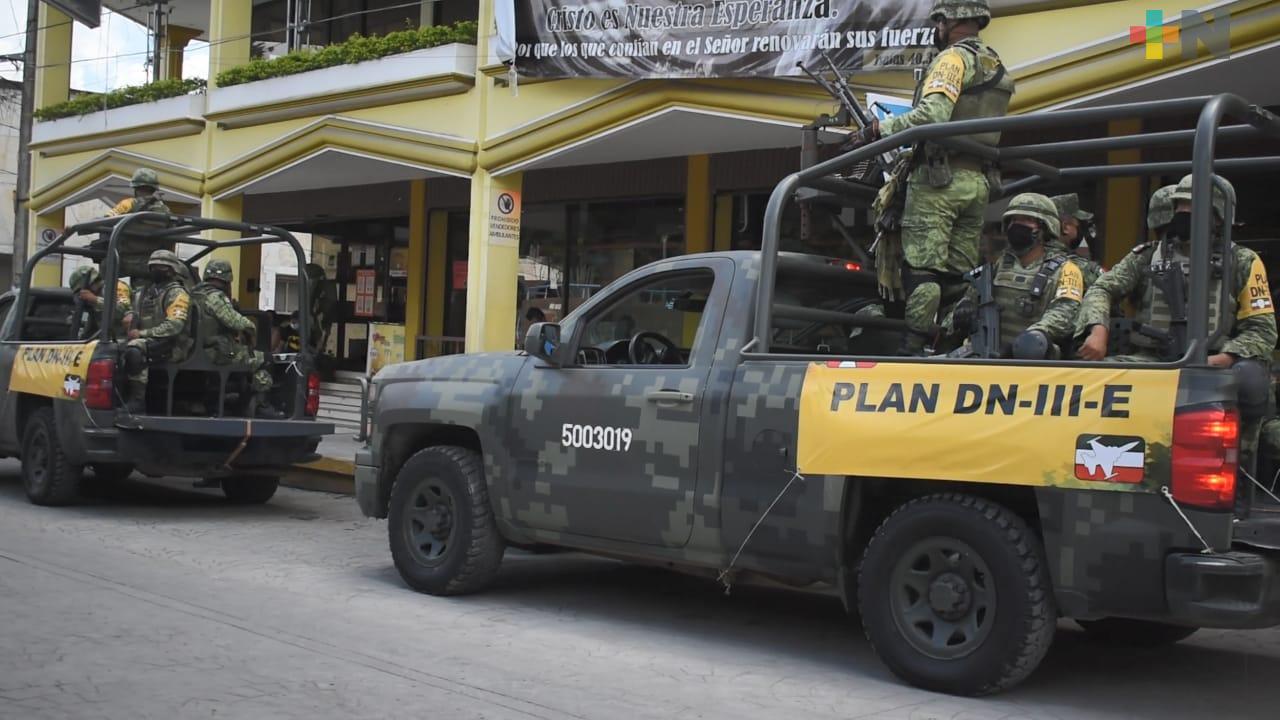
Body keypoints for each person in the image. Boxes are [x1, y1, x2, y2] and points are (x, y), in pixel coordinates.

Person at [851, 0, 1014, 354]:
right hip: (977, 183)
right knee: (957, 276)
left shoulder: (952, 59)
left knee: (924, 272)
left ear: (948, 21)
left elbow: (933, 114)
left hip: (939, 182)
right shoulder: (995, 64)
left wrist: (881, 128)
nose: (936, 29)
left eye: (938, 22)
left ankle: (912, 349)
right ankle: (953, 345)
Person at [1078, 175, 1276, 366]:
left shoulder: (1243, 261)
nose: (1183, 212)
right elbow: (1102, 289)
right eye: (1180, 205)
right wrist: (1098, 330)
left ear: (1218, 217)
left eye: (1192, 207)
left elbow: (1261, 329)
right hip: (1151, 360)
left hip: (1214, 363)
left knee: (1250, 380)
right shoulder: (1148, 255)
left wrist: (1224, 358)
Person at [948, 193, 1084, 358]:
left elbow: (1063, 314)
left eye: (1026, 220)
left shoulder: (1067, 270)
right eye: (1013, 220)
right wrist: (964, 308)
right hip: (983, 354)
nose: (1017, 225)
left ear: (1044, 227)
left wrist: (1032, 336)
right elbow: (971, 299)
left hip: (1033, 360)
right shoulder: (997, 264)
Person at [191, 260, 281, 418]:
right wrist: (250, 329)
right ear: (227, 280)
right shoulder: (216, 296)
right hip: (218, 352)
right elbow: (236, 321)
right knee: (264, 359)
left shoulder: (194, 294)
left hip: (199, 349)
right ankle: (261, 405)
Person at [121, 250, 192, 414]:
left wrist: (142, 334)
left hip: (173, 344)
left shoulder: (177, 293)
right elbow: (132, 310)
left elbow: (174, 326)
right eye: (153, 266)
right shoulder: (146, 292)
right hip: (153, 340)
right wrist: (129, 315)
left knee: (134, 350)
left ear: (171, 270)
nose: (156, 270)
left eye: (161, 267)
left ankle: (138, 402)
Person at [100, 168, 175, 293]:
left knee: (105, 264)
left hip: (127, 261)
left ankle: (109, 297)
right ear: (154, 188)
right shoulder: (166, 210)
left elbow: (105, 221)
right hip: (154, 263)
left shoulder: (129, 204)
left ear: (135, 188)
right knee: (144, 293)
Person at [1051, 193, 1104, 286]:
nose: (1082, 230)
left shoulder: (1027, 258)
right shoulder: (1079, 268)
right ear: (1065, 227)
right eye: (1079, 224)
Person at [68, 265, 132, 339]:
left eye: (80, 291)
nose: (81, 295)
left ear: (91, 283)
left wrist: (95, 300)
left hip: (124, 341)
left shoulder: (117, 287)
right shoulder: (94, 298)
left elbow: (122, 311)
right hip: (107, 342)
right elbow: (91, 328)